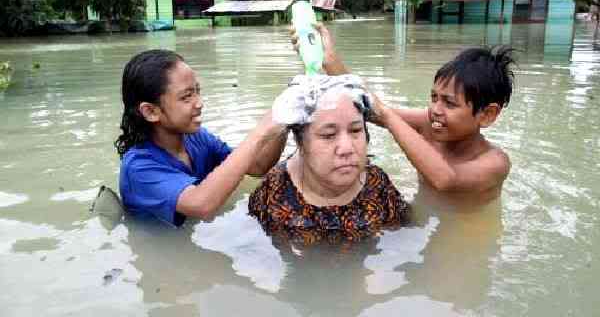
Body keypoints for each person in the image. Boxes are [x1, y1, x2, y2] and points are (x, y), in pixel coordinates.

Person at [291, 24, 515, 200]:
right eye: (434, 98)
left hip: (467, 238)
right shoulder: (429, 123)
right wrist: (329, 61)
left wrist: (388, 117)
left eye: (449, 103)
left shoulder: (495, 162)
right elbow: (372, 110)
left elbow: (445, 179)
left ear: (487, 115)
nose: (435, 110)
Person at [115, 49, 287, 227]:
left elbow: (258, 166)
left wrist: (285, 116)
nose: (200, 103)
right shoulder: (138, 168)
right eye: (187, 96)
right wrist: (259, 133)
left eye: (198, 91)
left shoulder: (196, 137)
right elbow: (201, 205)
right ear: (151, 111)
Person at [248, 74, 411, 244]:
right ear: (300, 142)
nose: (347, 148)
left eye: (355, 130)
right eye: (329, 135)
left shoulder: (378, 186)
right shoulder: (275, 192)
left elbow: (400, 241)